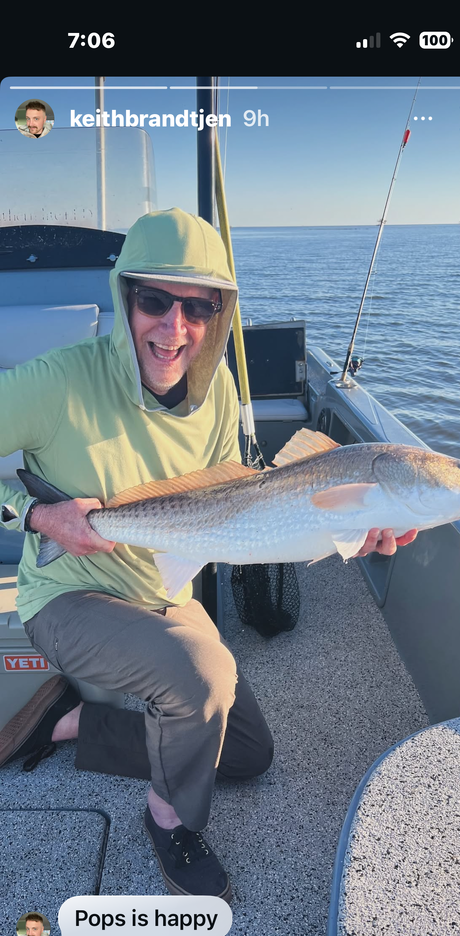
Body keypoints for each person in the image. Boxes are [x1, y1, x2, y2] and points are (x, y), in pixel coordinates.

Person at [0, 209, 417, 900]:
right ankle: (169, 822)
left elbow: (235, 508)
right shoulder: (58, 383)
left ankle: (68, 720)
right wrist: (36, 512)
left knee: (249, 753)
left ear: (218, 314)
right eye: (154, 300)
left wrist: (353, 528)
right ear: (123, 296)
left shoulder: (217, 385)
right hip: (71, 589)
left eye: (198, 307)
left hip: (163, 587)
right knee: (202, 675)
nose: (174, 327)